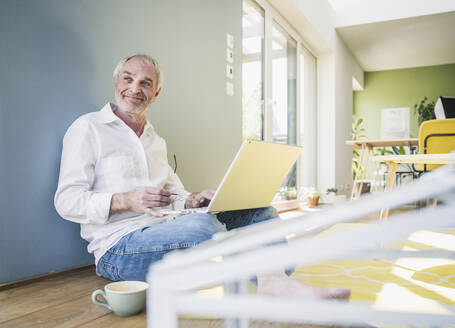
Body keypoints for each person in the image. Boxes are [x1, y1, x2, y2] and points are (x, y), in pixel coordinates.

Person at [55, 54, 349, 300]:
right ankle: (272, 282)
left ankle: (274, 282)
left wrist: (193, 199)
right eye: (128, 79)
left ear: (156, 93)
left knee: (257, 209)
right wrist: (125, 199)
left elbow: (175, 197)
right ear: (116, 82)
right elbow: (66, 201)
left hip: (166, 229)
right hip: (118, 250)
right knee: (203, 227)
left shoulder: (156, 141)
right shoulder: (88, 128)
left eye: (146, 83)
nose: (135, 88)